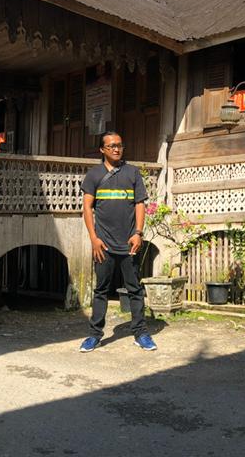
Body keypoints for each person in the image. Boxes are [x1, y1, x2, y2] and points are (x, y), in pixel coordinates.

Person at [78, 131, 156, 352]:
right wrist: (94, 238)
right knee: (101, 290)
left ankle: (140, 333)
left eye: (120, 145)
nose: (116, 149)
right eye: (111, 146)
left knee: (135, 289)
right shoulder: (93, 175)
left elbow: (139, 204)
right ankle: (94, 335)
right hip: (103, 244)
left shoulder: (132, 173)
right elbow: (87, 208)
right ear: (102, 149)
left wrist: (138, 233)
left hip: (129, 243)